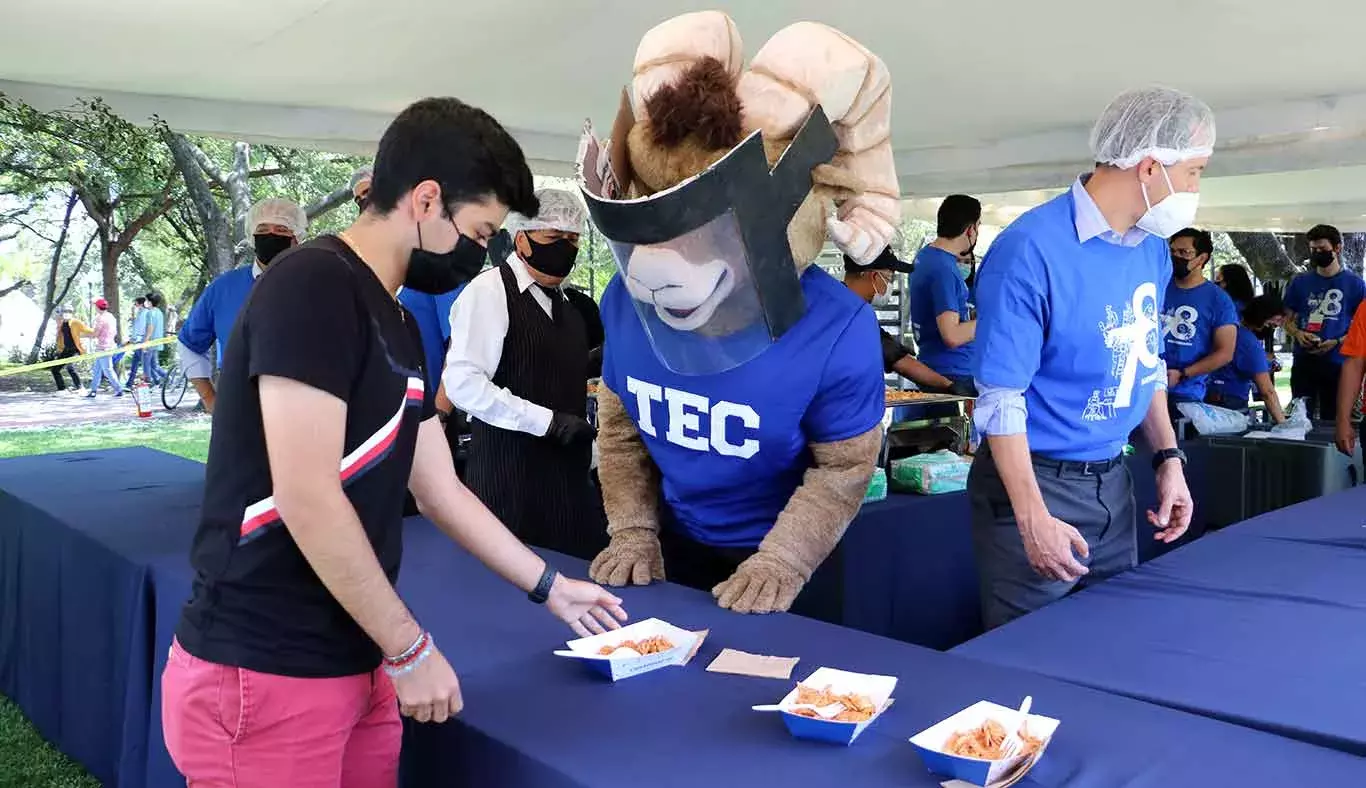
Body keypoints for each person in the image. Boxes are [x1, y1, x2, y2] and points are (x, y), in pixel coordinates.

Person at [162, 97, 626, 787]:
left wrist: (550, 585)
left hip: (356, 654)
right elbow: (307, 494)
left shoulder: (400, 325)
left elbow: (438, 489)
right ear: (426, 200)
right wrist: (410, 650)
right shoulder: (314, 286)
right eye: (480, 230)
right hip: (265, 666)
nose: (484, 251)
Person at [585, 11, 895, 615]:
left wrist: (783, 559)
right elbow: (620, 432)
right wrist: (633, 529)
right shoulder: (625, 300)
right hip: (675, 548)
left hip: (789, 561)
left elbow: (843, 467)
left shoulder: (839, 329)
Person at [969, 86, 1208, 630]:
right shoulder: (1030, 249)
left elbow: (1145, 365)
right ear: (1151, 168)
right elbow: (1000, 398)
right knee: (1031, 656)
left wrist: (1168, 458)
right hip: (1037, 482)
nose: (1196, 188)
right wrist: (1032, 519)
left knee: (1108, 644)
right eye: (1194, 172)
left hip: (1113, 480)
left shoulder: (1151, 249)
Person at [444, 188, 606, 560]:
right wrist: (546, 422)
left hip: (566, 481)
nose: (566, 247)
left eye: (573, 239)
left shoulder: (567, 304)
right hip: (508, 478)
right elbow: (463, 384)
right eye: (553, 238)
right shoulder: (489, 292)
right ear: (522, 240)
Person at [177, 198, 308, 413]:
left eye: (281, 229)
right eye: (263, 229)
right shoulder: (223, 289)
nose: (271, 235)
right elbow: (189, 344)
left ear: (297, 237)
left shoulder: (320, 285)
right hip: (239, 411)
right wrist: (210, 399)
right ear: (252, 237)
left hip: (306, 411)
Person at [842, 248, 959, 391]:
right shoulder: (848, 312)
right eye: (889, 278)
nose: (890, 286)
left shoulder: (843, 304)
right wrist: (949, 385)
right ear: (874, 277)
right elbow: (897, 360)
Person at [1283, 224, 1366, 420]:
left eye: (1322, 249)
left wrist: (1337, 341)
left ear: (1337, 248)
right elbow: (1285, 319)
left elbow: (1361, 327)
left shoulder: (1355, 284)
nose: (1317, 253)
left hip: (1338, 361)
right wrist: (1298, 334)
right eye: (1313, 250)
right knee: (1300, 416)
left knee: (1334, 417)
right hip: (1304, 360)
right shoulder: (1300, 282)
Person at [1163, 228, 1237, 421]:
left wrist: (1183, 374)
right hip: (1144, 387)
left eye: (1184, 253)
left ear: (1202, 258)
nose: (1176, 257)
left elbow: (1225, 352)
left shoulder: (1219, 300)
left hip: (1185, 393)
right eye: (1172, 251)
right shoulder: (1157, 286)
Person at [908, 195, 980, 391]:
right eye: (978, 227)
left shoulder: (925, 257)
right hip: (952, 373)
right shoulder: (943, 269)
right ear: (970, 229)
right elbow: (952, 335)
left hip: (933, 366)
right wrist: (994, 319)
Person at [1207, 295, 1287, 423]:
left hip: (1210, 395)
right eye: (1276, 320)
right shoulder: (1248, 342)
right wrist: (1283, 424)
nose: (1277, 325)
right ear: (1263, 315)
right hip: (1230, 402)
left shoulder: (1228, 329)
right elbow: (1267, 392)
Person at [86, 297, 123, 398]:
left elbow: (95, 333)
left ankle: (119, 389)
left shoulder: (100, 318)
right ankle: (93, 390)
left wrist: (82, 335)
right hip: (109, 345)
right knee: (97, 369)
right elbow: (114, 332)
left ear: (97, 307)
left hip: (103, 348)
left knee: (107, 370)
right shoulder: (111, 317)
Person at [51, 305, 90, 393]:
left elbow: (87, 331)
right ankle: (62, 389)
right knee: (55, 369)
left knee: (70, 367)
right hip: (66, 350)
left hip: (75, 349)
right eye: (65, 311)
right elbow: (60, 337)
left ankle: (80, 388)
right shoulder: (62, 324)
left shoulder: (75, 322)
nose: (67, 313)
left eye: (69, 311)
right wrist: (59, 348)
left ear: (72, 313)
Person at [141, 291, 168, 385]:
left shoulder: (150, 313)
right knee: (154, 365)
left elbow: (150, 329)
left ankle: (148, 384)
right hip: (157, 342)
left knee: (146, 365)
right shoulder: (159, 312)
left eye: (146, 300)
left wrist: (145, 343)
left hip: (150, 342)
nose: (145, 302)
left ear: (150, 302)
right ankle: (170, 379)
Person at [124, 296, 148, 388]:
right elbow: (136, 326)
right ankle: (129, 383)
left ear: (141, 303)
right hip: (137, 341)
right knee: (135, 362)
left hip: (140, 341)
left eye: (136, 303)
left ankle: (164, 377)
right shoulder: (140, 312)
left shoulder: (145, 313)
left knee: (147, 364)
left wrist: (136, 339)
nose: (135, 304)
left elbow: (141, 328)